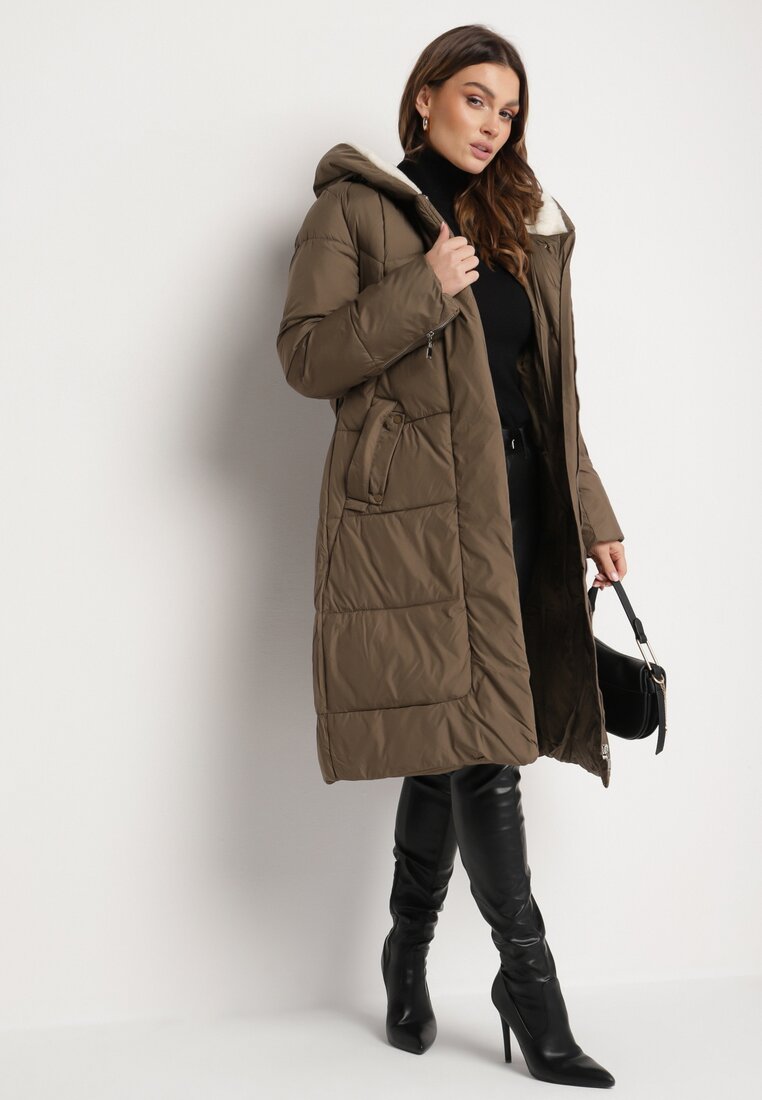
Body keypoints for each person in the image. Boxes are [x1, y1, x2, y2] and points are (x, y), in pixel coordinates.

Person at [276, 24, 627, 1089]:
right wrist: (424, 285)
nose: (493, 126)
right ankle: (532, 991)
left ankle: (405, 949)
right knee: (484, 749)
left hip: (518, 515)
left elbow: (549, 396)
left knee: (450, 740)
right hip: (417, 526)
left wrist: (595, 513)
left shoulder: (517, 224)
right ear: (424, 96)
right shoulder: (354, 211)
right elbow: (306, 356)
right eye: (476, 98)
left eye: (509, 111)